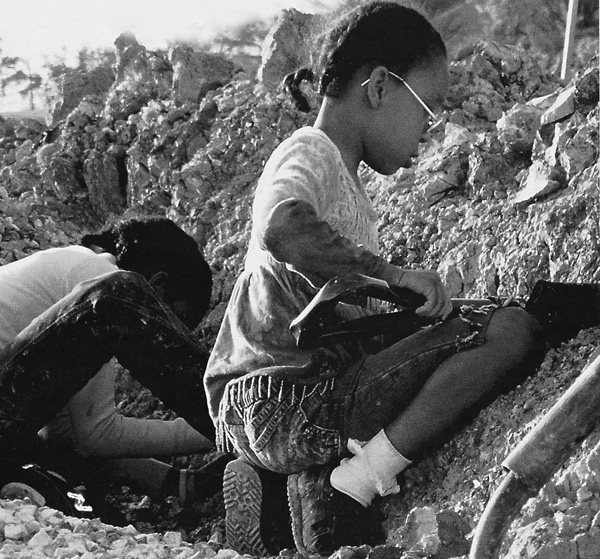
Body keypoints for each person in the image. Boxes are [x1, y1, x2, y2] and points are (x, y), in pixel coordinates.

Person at [203, 2, 600, 557]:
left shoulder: (347, 189)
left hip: (277, 402)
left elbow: (335, 307)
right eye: (427, 110)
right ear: (380, 87)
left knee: (338, 531)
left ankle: (280, 506)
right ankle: (359, 479)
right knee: (508, 330)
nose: (428, 132)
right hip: (291, 395)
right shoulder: (310, 152)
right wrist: (393, 276)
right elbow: (280, 226)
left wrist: (410, 305)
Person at [0, 215, 222, 509]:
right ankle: (237, 418)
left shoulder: (69, 268)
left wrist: (179, 481)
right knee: (118, 294)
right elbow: (98, 435)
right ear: (158, 285)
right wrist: (219, 431)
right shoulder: (98, 276)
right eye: (174, 321)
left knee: (58, 455)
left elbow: (69, 434)